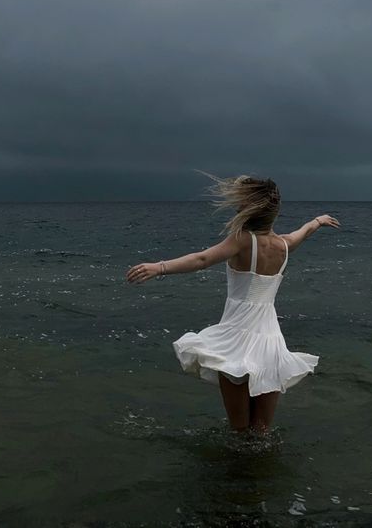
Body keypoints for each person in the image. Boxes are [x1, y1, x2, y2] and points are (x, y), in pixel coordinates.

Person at [125, 172, 340, 436]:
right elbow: (302, 232)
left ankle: (238, 474)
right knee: (261, 432)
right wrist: (317, 221)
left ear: (248, 210)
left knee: (239, 430)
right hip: (270, 342)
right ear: (275, 213)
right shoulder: (284, 246)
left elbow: (201, 259)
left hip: (236, 340)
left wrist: (159, 267)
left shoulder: (242, 241)